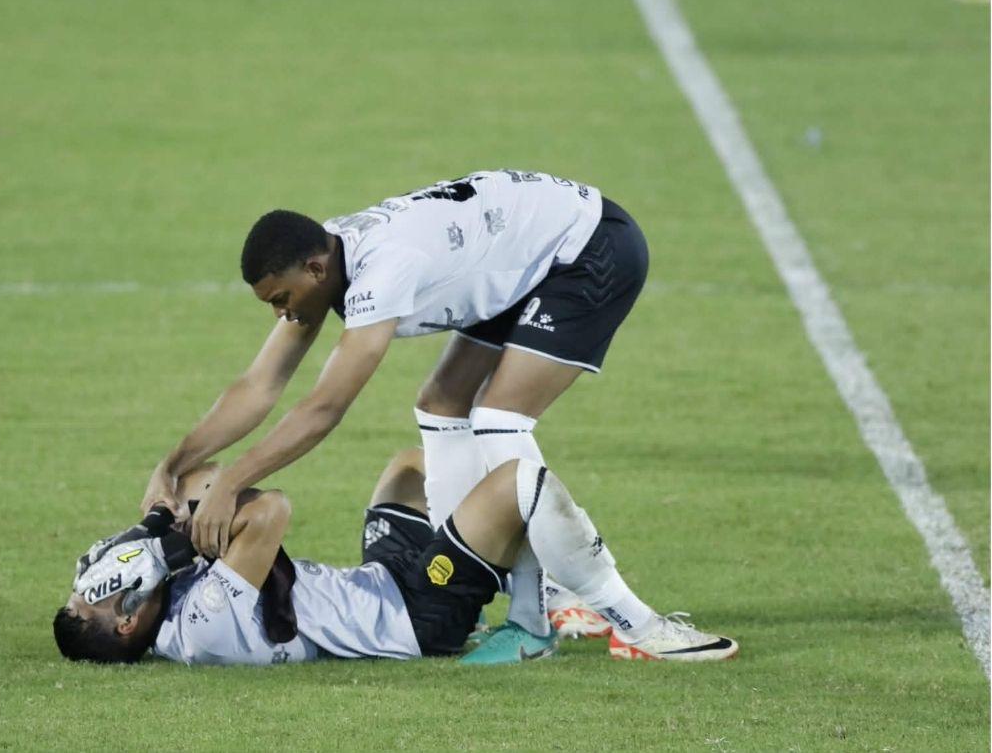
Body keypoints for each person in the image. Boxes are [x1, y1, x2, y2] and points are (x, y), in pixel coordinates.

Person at [142, 169, 651, 662]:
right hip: (520, 247)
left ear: (315, 271)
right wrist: (171, 465)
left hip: (586, 247)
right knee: (442, 403)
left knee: (500, 417)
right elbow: (259, 385)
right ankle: (470, 586)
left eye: (281, 299)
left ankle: (564, 617)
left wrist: (231, 483)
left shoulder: (381, 271)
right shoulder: (327, 258)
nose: (281, 314)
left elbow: (324, 408)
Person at [59, 450, 738, 666]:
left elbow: (198, 477)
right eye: (94, 596)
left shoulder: (168, 597)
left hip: (380, 580)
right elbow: (270, 511)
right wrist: (172, 542)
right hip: (415, 617)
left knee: (414, 465)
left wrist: (156, 520)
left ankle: (526, 580)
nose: (95, 582)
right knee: (516, 479)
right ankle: (623, 623)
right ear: (126, 621)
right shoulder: (201, 626)